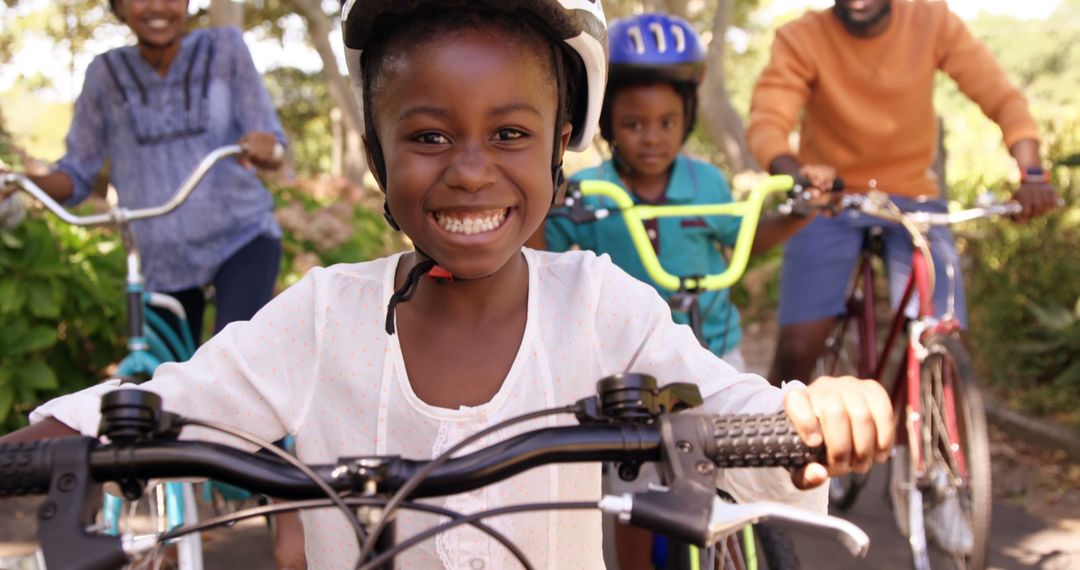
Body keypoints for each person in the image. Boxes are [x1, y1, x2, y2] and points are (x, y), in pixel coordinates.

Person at [1, 1, 894, 567]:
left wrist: (814, 416)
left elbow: (743, 417)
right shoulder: (321, 318)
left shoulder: (602, 305)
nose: (471, 171)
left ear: (556, 148)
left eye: (509, 134)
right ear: (378, 156)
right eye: (429, 137)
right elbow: (178, 400)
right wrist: (51, 436)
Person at [746, 0, 1061, 387]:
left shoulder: (932, 21)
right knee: (797, 350)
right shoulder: (802, 37)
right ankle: (773, 442)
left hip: (913, 200)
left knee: (943, 333)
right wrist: (799, 177)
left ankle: (922, 428)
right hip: (830, 200)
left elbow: (1001, 96)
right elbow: (768, 121)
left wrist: (1031, 174)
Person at [545, 12, 826, 372]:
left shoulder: (707, 182)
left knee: (732, 422)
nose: (652, 137)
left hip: (713, 348)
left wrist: (797, 215)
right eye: (633, 124)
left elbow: (744, 238)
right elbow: (542, 253)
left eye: (667, 123)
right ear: (607, 122)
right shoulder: (591, 191)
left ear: (687, 118)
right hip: (622, 356)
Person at [1, 0, 286, 344]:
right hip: (160, 260)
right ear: (119, 6)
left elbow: (271, 144)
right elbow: (76, 177)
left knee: (237, 358)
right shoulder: (104, 74)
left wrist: (266, 148)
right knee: (163, 378)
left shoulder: (224, 48)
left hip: (241, 238)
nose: (157, 7)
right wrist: (19, 183)